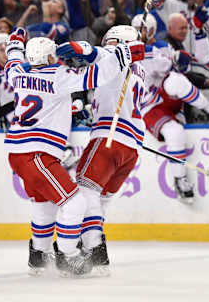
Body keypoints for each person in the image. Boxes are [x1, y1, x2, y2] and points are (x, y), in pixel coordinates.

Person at [4, 27, 143, 276]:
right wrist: (124, 53)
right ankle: (68, 255)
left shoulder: (17, 73)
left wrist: (14, 43)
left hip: (20, 151)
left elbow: (12, 60)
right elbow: (98, 75)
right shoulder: (58, 75)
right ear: (49, 58)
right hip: (38, 153)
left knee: (44, 204)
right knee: (76, 201)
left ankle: (39, 256)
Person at [56, 26, 147, 276]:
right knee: (101, 198)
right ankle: (95, 249)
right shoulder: (140, 70)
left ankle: (94, 252)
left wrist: (78, 48)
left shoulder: (114, 55)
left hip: (109, 138)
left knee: (85, 190)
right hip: (131, 147)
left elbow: (95, 53)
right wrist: (91, 111)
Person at [131, 17, 209, 203]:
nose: (136, 33)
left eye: (140, 29)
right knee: (175, 133)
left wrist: (178, 62)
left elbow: (177, 69)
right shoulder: (124, 53)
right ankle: (179, 179)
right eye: (134, 29)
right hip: (149, 106)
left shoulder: (160, 48)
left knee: (175, 80)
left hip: (167, 97)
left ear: (150, 31)